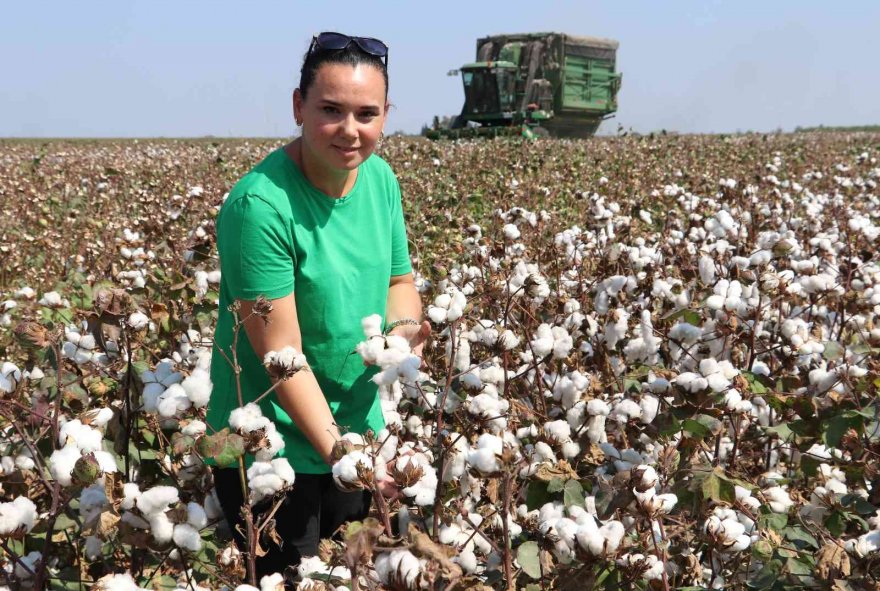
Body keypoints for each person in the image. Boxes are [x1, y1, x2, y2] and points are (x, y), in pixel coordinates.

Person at [206, 32, 430, 580]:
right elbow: (282, 358)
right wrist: (349, 461)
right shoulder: (260, 207)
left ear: (385, 116)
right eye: (331, 110)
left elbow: (399, 281)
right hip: (273, 454)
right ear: (298, 107)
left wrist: (400, 338)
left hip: (358, 434)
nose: (350, 130)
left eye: (366, 114)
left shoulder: (380, 180)